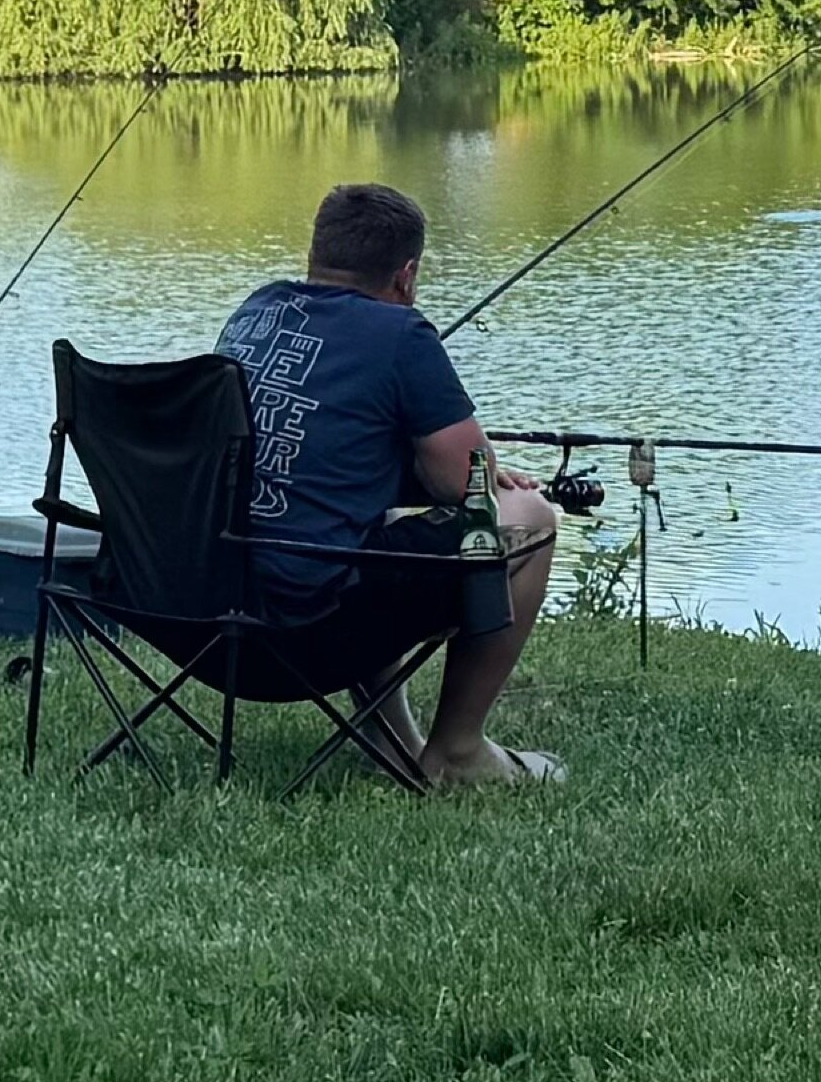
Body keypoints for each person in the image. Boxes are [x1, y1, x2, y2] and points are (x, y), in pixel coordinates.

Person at [221, 178, 566, 789]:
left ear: (315, 254)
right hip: (305, 624)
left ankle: (392, 738)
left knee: (371, 517)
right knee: (530, 516)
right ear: (406, 276)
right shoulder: (402, 335)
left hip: (205, 611)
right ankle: (458, 751)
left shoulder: (255, 310)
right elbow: (468, 485)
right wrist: (477, 469)